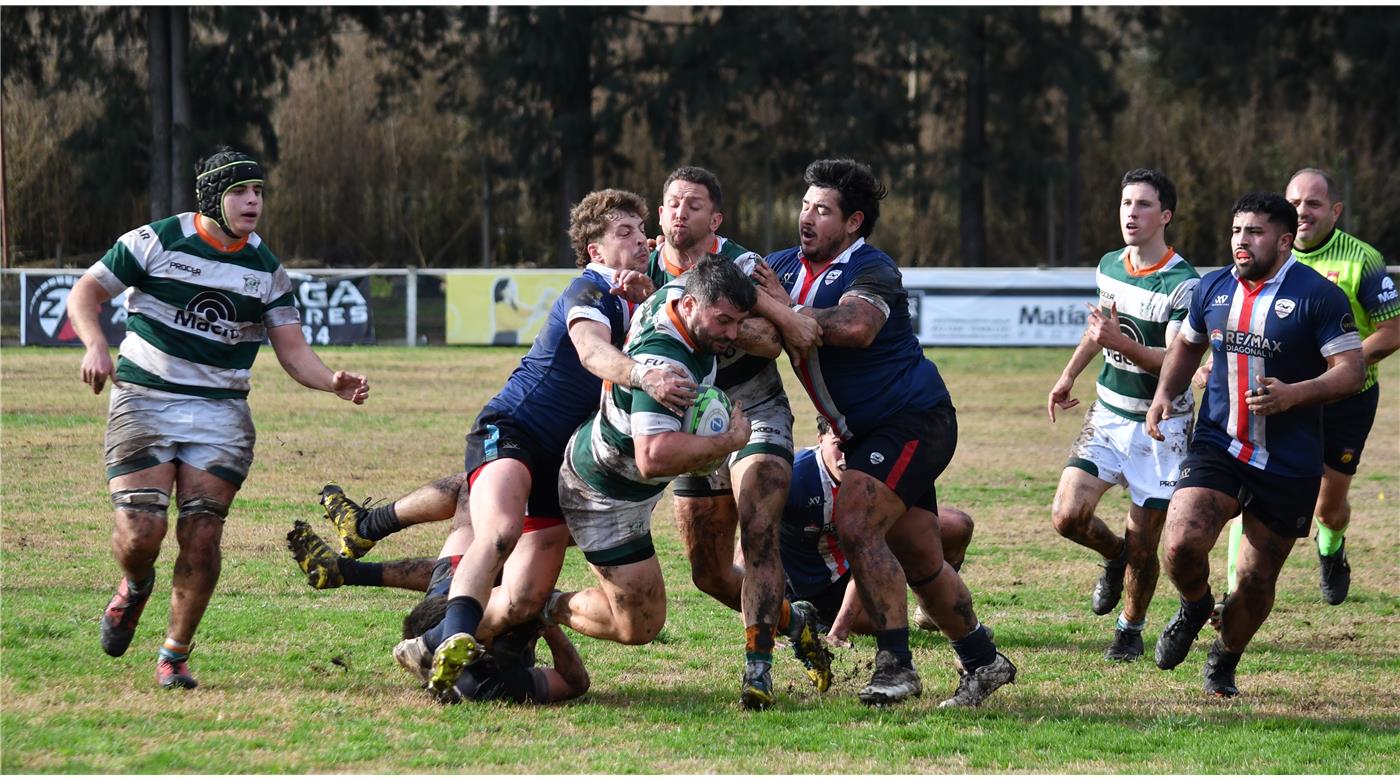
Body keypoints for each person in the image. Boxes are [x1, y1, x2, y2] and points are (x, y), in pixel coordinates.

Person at [297, 189, 694, 660]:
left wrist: (647, 301)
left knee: (525, 595)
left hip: (562, 465)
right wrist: (643, 374)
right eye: (623, 233)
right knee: (498, 531)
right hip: (514, 431)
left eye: (641, 232)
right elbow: (591, 353)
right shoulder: (589, 289)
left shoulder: (637, 301)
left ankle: (427, 641)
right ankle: (452, 635)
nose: (641, 241)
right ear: (595, 251)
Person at [67, 146, 371, 689]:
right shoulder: (157, 240)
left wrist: (331, 381)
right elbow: (86, 292)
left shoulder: (265, 269)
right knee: (142, 534)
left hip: (220, 413)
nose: (253, 201)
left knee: (202, 535)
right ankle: (135, 586)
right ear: (211, 195)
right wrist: (95, 345)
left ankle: (174, 655)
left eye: (258, 192)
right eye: (239, 191)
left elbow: (293, 352)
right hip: (144, 398)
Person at [756, 159, 1016, 707]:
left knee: (854, 521)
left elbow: (856, 326)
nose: (806, 218)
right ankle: (983, 660)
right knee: (920, 555)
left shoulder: (872, 267)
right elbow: (750, 316)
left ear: (852, 222)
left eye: (821, 210)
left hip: (912, 420)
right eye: (804, 206)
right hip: (864, 434)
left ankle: (896, 666)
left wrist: (787, 311)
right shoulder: (779, 266)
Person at [498, 257, 755, 703]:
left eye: (738, 322)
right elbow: (653, 457)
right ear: (691, 303)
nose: (733, 334)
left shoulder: (675, 294)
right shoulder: (668, 364)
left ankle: (489, 598)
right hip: (603, 494)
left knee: (525, 555)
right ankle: (498, 618)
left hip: (619, 481)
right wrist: (729, 441)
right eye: (725, 321)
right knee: (640, 625)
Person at [1147, 192, 1363, 698]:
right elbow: (1186, 345)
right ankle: (1196, 605)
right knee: (1179, 544)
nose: (1242, 242)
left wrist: (1295, 395)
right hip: (1219, 441)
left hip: (1290, 459)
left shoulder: (1319, 297)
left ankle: (1223, 661)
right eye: (1237, 231)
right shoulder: (1212, 288)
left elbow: (1352, 371)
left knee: (1256, 579)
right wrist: (1164, 395)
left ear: (1285, 241)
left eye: (1256, 232)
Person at [640, 166, 831, 709]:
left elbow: (772, 341)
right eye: (673, 202)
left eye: (694, 204)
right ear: (660, 214)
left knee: (761, 531)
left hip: (755, 410)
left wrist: (700, 314)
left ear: (715, 218)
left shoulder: (743, 266)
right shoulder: (647, 264)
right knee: (708, 572)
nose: (681, 212)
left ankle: (758, 670)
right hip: (693, 424)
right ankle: (796, 619)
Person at [1046, 168, 1200, 662]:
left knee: (1144, 542)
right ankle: (1110, 557)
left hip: (1162, 428)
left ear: (1166, 216)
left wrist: (1122, 344)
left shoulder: (1184, 285)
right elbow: (1099, 331)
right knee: (1067, 517)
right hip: (1109, 413)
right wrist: (1068, 374)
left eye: (1143, 205)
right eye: (1125, 204)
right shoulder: (1110, 264)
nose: (1130, 214)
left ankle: (1129, 630)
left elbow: (1178, 361)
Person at [780, 417, 975, 645]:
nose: (847, 455)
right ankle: (820, 617)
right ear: (820, 439)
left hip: (865, 558)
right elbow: (752, 550)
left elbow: (872, 548)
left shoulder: (875, 467)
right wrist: (765, 624)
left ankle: (932, 606)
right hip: (821, 582)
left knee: (955, 526)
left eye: (856, 446)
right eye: (838, 445)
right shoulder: (794, 479)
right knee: (881, 621)